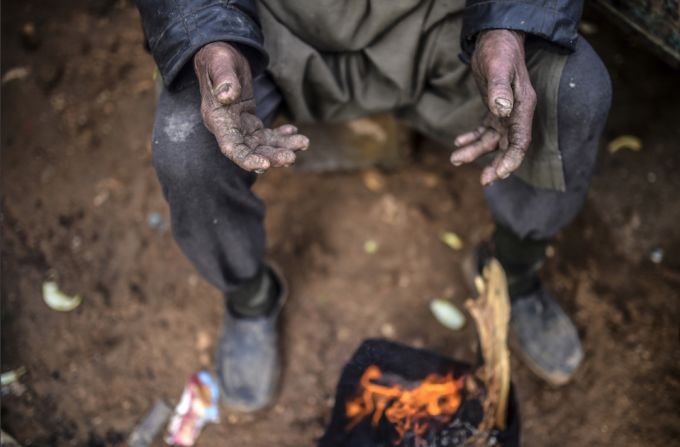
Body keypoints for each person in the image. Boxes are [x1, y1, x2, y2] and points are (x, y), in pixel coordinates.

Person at [135, 0, 611, 411]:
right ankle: (250, 298)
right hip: (267, 27)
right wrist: (209, 36)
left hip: (445, 20)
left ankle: (514, 271)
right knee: (187, 149)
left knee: (572, 93)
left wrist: (509, 22)